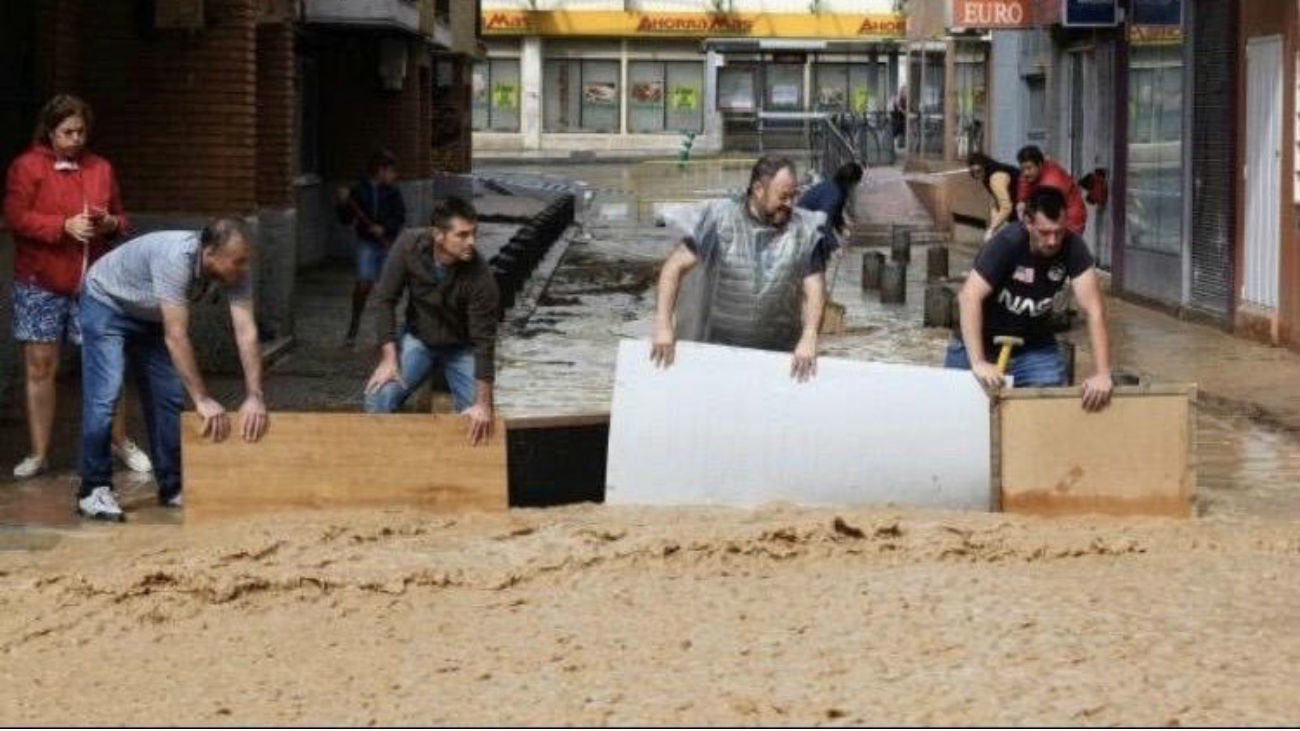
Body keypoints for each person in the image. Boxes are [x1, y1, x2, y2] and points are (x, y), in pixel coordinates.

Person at [76, 219, 270, 520]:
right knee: (106, 393)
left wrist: (254, 395)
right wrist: (203, 399)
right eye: (238, 261)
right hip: (107, 302)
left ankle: (172, 486)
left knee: (168, 398)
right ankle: (93, 489)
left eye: (245, 260)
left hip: (151, 314)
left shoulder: (236, 271)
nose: (242, 268)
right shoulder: (175, 258)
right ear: (209, 252)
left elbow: (246, 331)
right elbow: (176, 336)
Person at [3, 94, 151, 479]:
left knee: (108, 365)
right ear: (50, 131)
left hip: (95, 283)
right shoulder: (26, 167)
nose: (76, 139)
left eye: (82, 131)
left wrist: (109, 225)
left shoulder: (101, 168)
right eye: (67, 132)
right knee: (40, 367)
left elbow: (123, 218)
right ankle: (39, 453)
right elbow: (15, 217)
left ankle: (120, 440)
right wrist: (61, 226)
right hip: (40, 281)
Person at [651, 155, 829, 382]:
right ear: (758, 189)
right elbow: (673, 268)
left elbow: (814, 288)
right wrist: (664, 325)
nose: (790, 204)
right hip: (718, 354)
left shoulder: (804, 231)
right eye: (783, 196)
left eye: (794, 196)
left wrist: (810, 335)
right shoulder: (720, 220)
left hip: (780, 358)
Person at [944, 187, 1113, 411]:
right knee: (957, 415)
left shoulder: (1073, 248)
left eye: (1059, 232)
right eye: (1044, 233)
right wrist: (978, 362)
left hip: (1034, 349)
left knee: (1048, 417)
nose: (1053, 241)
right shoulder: (1006, 243)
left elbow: (1094, 310)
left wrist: (1102, 373)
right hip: (976, 345)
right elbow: (969, 297)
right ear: (1028, 223)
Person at [363, 197, 499, 446]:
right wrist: (389, 359)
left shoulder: (481, 276)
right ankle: (387, 470)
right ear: (439, 235)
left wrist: (483, 403)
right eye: (463, 235)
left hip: (462, 347)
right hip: (419, 339)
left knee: (478, 420)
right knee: (378, 397)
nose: (472, 242)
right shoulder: (408, 245)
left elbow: (484, 343)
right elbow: (385, 300)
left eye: (474, 233)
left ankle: (459, 477)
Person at [336, 149, 406, 346]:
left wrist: (384, 228)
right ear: (380, 170)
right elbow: (346, 219)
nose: (394, 175)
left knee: (388, 290)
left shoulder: (393, 192)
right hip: (367, 243)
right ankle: (354, 325)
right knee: (364, 284)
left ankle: (387, 335)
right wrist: (342, 203)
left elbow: (400, 217)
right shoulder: (359, 191)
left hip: (387, 244)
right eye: (391, 171)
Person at [1014, 145, 1087, 236]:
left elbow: (1047, 216)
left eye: (1029, 168)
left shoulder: (1052, 184)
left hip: (1071, 221)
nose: (1025, 173)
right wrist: (1021, 201)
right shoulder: (1032, 174)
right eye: (1023, 169)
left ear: (1040, 165)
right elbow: (1024, 182)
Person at [797, 161, 863, 255]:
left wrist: (841, 228)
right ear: (851, 181)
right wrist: (835, 246)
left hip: (813, 225)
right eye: (856, 183)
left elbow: (836, 214)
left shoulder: (841, 190)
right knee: (816, 261)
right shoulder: (832, 193)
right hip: (804, 226)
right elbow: (823, 222)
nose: (856, 186)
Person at [967, 151, 1020, 242]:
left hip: (1021, 208)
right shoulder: (987, 176)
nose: (976, 175)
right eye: (973, 172)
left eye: (978, 171)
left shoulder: (995, 178)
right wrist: (994, 224)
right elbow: (995, 200)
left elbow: (1006, 207)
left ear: (985, 166)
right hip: (1015, 210)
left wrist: (992, 228)